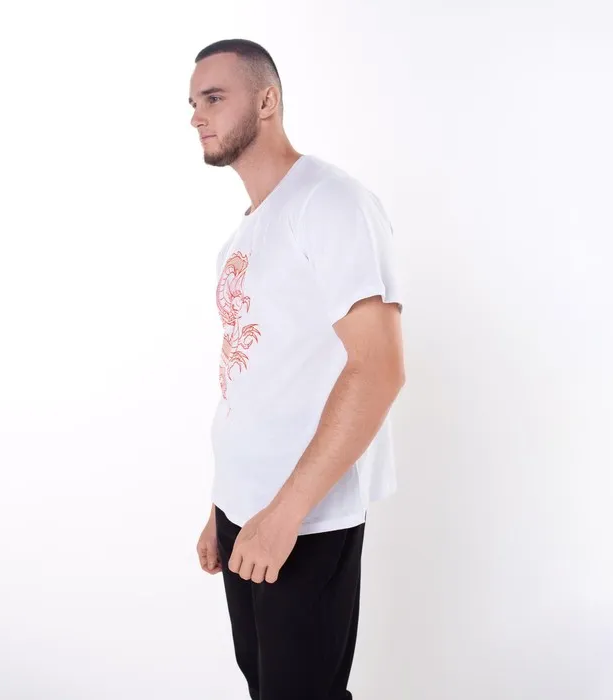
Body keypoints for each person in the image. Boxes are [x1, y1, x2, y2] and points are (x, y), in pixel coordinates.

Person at [189, 38, 405, 700]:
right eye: (192, 103)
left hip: (304, 520)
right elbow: (255, 377)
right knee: (264, 685)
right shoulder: (244, 234)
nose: (197, 116)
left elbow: (379, 369)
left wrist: (284, 515)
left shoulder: (331, 203)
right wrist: (222, 506)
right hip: (244, 511)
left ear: (267, 101)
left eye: (214, 98)